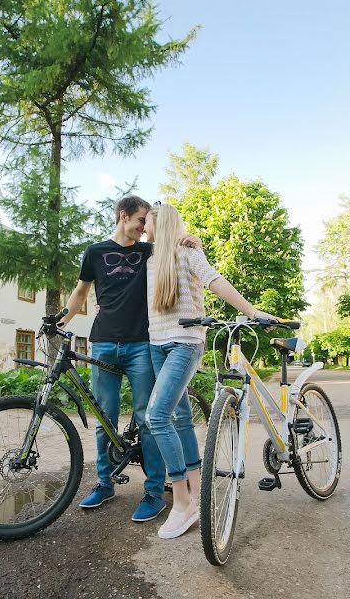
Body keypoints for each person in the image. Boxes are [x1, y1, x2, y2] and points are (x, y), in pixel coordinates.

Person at [60, 195, 200, 523]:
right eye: (139, 221)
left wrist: (192, 241)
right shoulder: (95, 252)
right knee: (104, 418)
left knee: (149, 417)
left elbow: (173, 250)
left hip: (142, 343)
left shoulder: (150, 251)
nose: (143, 227)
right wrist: (61, 320)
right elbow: (80, 293)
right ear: (124, 217)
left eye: (146, 223)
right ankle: (105, 483)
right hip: (104, 342)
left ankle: (154, 492)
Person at [143, 201, 278, 539]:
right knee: (180, 416)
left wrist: (251, 310)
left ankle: (183, 502)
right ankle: (194, 485)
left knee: (157, 416)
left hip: (185, 342)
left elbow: (215, 281)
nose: (143, 229)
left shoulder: (188, 253)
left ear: (158, 224)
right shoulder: (147, 261)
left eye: (147, 224)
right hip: (155, 344)